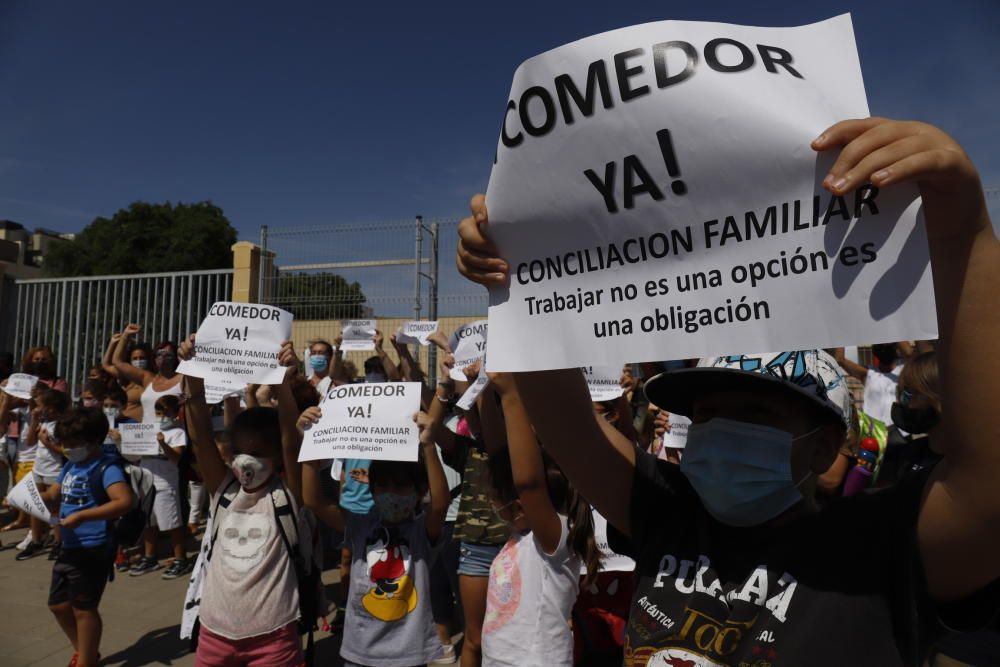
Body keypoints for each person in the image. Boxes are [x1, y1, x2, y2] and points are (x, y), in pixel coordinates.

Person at [455, 118, 1000, 664]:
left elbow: (988, 480)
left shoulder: (875, 550)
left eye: (756, 411)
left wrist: (964, 229)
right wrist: (519, 282)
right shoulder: (669, 516)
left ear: (823, 443)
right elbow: (569, 426)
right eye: (708, 413)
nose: (720, 429)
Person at [179, 336, 307, 666]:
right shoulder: (223, 491)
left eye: (259, 453)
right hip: (213, 634)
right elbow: (200, 436)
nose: (246, 461)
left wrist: (281, 380)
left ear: (277, 457)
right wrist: (192, 371)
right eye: (239, 451)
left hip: (274, 637)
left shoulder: (287, 495)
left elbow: (291, 439)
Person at [298, 398, 450, 667]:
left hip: (409, 655)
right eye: (382, 486)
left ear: (419, 492)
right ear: (372, 490)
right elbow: (313, 500)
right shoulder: (360, 525)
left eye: (401, 486)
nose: (391, 493)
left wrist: (428, 445)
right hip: (360, 652)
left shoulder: (421, 531)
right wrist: (310, 444)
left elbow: (440, 504)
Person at [481, 372, 599, 667]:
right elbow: (499, 453)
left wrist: (511, 395)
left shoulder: (554, 541)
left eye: (496, 496)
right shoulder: (520, 539)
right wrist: (483, 389)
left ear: (522, 506)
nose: (491, 501)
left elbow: (528, 483)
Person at [39, 406, 134, 667]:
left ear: (93, 441)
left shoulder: (106, 467)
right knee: (58, 605)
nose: (67, 448)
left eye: (73, 443)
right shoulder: (71, 465)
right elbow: (52, 496)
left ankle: (87, 660)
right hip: (68, 546)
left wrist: (83, 516)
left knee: (84, 608)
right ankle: (84, 650)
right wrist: (27, 499)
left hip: (93, 548)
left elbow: (124, 501)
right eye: (64, 443)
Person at [129, 394, 190, 578]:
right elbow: (133, 455)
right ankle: (150, 557)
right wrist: (121, 440)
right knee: (149, 522)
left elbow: (176, 458)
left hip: (165, 482)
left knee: (172, 522)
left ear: (174, 413)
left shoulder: (177, 432)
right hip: (146, 480)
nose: (160, 416)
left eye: (165, 413)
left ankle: (180, 559)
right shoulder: (148, 429)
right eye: (157, 412)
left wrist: (162, 443)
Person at [17, 386, 71, 561]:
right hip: (39, 469)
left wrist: (48, 444)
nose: (38, 409)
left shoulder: (63, 425)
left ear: (52, 407)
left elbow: (67, 452)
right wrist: (34, 421)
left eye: (41, 406)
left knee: (55, 510)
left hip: (55, 471)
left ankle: (58, 541)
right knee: (35, 506)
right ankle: (36, 539)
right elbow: (30, 442)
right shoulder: (44, 422)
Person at [112, 324, 182, 423]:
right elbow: (117, 361)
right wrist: (125, 335)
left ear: (176, 358)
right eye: (159, 354)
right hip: (147, 435)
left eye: (168, 354)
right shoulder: (147, 378)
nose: (162, 357)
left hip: (174, 435)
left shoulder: (183, 379)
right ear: (154, 358)